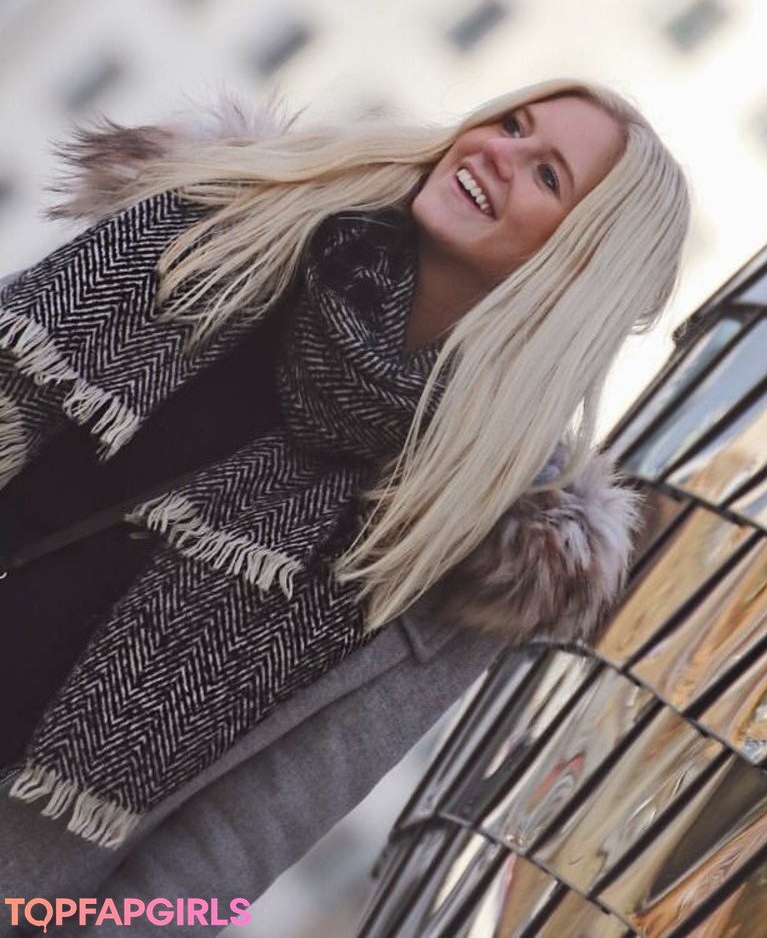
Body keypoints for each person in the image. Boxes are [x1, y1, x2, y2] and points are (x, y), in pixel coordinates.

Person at [0, 77, 690, 933]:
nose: (500, 155)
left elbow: (249, 829)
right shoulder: (223, 230)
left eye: (548, 175)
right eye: (512, 125)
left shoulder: (479, 538)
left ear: (580, 270)